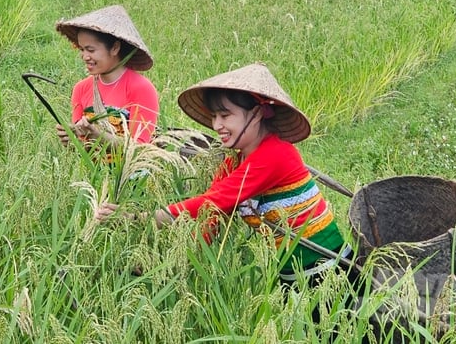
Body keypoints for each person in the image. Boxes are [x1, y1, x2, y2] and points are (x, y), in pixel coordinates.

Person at [95, 62, 354, 285]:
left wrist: (136, 218)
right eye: (214, 116)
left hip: (328, 269)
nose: (217, 125)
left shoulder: (276, 155)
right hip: (290, 272)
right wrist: (167, 263)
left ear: (258, 113)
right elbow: (212, 216)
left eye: (225, 115)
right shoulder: (235, 160)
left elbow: (208, 203)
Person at [54, 4, 160, 150]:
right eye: (81, 49)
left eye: (91, 50)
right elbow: (81, 146)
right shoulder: (81, 89)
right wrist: (70, 140)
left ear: (115, 48)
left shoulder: (140, 88)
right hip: (91, 171)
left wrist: (99, 136)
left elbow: (139, 148)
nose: (85, 56)